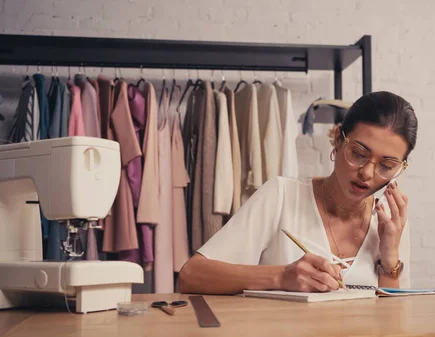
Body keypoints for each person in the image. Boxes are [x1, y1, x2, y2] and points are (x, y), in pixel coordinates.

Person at [177, 91, 418, 294]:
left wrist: (389, 259)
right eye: (358, 153)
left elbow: (392, 321)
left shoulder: (391, 224)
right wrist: (281, 277)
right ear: (337, 140)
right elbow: (191, 275)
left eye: (387, 166)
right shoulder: (281, 196)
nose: (367, 172)